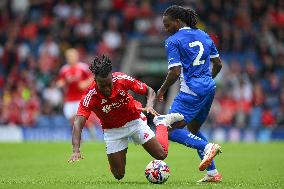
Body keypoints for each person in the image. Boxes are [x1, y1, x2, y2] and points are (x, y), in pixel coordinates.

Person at [67, 54, 184, 180]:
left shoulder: (121, 79)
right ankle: (115, 160)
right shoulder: (90, 96)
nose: (107, 89)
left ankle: (161, 123)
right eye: (103, 86)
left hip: (135, 121)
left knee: (161, 154)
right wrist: (76, 150)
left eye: (109, 84)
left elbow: (149, 91)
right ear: (95, 81)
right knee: (119, 175)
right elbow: (78, 123)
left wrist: (149, 105)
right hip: (112, 131)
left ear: (112, 77)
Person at [155, 5, 223, 182]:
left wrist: (161, 90)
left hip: (190, 92)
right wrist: (207, 80)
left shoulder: (174, 40)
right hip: (209, 89)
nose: (165, 28)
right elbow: (218, 64)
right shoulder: (204, 35)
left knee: (168, 129)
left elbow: (175, 71)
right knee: (193, 128)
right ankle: (212, 173)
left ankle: (207, 146)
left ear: (177, 22)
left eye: (167, 24)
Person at [57, 48, 96, 139]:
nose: (71, 58)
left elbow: (92, 78)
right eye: (69, 56)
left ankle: (89, 130)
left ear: (76, 57)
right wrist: (60, 84)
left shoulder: (83, 67)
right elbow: (61, 80)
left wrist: (84, 84)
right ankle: (81, 137)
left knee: (79, 118)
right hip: (69, 99)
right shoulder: (64, 69)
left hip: (80, 98)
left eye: (72, 56)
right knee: (72, 120)